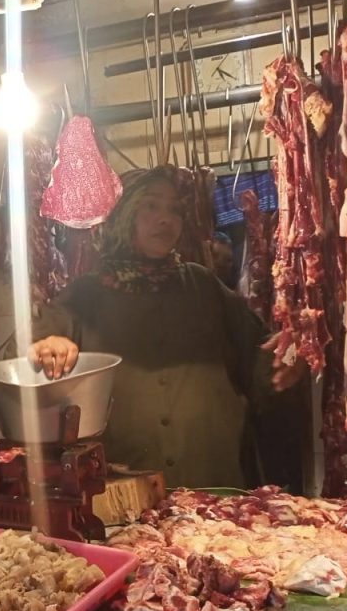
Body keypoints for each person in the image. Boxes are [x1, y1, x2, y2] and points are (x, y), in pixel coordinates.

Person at [28, 165, 305, 489]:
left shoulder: (203, 286)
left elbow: (259, 356)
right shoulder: (84, 296)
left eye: (175, 210)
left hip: (212, 483)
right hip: (125, 492)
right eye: (151, 205)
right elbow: (33, 351)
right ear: (122, 212)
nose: (166, 219)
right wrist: (47, 346)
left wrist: (290, 357)